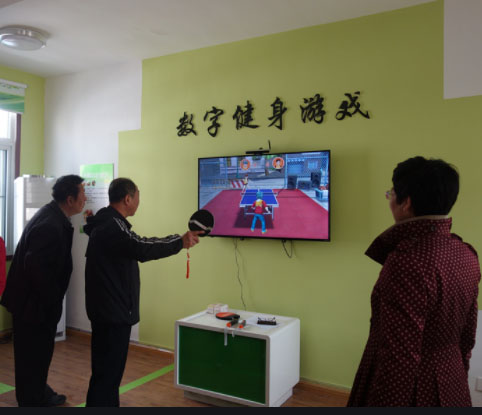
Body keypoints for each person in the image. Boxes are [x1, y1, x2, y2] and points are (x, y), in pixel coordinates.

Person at [347, 157, 481, 407]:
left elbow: (399, 357)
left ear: (406, 203)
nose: (389, 199)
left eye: (391, 193)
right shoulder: (466, 253)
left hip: (415, 390)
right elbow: (467, 336)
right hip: (452, 380)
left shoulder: (406, 261)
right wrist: (456, 376)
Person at [83, 177, 202, 407]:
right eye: (138, 196)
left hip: (106, 310)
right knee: (108, 375)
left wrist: (179, 241)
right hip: (112, 313)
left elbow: (130, 244)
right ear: (127, 199)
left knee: (106, 374)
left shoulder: (105, 222)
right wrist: (180, 242)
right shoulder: (113, 226)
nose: (139, 201)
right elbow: (142, 247)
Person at [0, 175, 87, 407]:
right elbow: (36, 268)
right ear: (70, 199)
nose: (85, 199)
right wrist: (51, 300)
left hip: (35, 303)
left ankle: (38, 391)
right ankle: (32, 400)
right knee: (32, 355)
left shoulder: (54, 216)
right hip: (33, 306)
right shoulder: (50, 224)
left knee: (37, 355)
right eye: (82, 194)